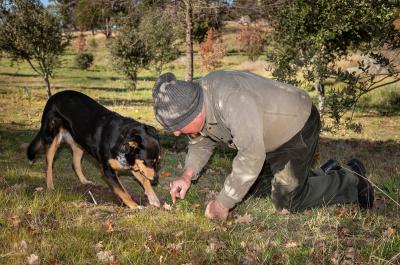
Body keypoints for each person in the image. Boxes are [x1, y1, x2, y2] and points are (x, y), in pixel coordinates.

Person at [152, 70, 374, 221]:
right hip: (268, 135)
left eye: (179, 126)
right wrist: (187, 175)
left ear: (195, 110)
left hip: (296, 125)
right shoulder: (197, 97)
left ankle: (353, 181)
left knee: (287, 201)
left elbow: (251, 155)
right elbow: (202, 139)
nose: (177, 133)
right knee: (257, 189)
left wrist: (223, 204)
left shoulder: (230, 99)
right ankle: (324, 172)